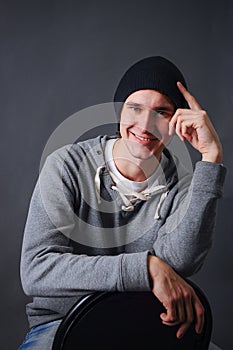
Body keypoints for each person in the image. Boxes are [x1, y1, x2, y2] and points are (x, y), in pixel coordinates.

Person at [18, 56, 226, 350]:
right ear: (119, 110)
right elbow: (38, 271)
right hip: (61, 322)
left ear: (176, 122)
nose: (145, 124)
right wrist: (147, 268)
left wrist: (210, 159)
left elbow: (182, 261)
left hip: (148, 322)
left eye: (161, 112)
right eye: (135, 108)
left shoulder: (183, 183)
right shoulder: (66, 164)